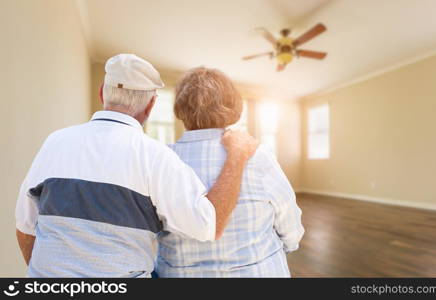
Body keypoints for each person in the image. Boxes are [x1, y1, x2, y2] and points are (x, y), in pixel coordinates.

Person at [15, 54, 258, 277]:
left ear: (102, 93)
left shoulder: (55, 142)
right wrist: (237, 155)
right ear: (151, 105)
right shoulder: (155, 156)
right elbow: (209, 225)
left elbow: (25, 229)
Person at [156, 67, 304, 277]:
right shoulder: (257, 155)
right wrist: (289, 245)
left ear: (180, 108)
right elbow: (289, 220)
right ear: (234, 106)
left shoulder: (160, 159)